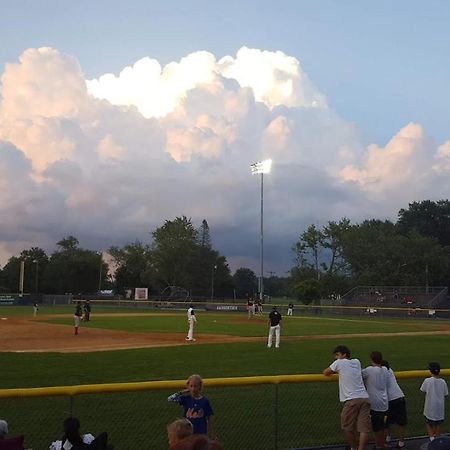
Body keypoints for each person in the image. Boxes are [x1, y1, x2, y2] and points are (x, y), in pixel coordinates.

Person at [323, 345, 371, 450]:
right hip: (364, 397)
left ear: (344, 354)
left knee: (347, 427)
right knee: (364, 429)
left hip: (352, 399)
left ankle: (353, 448)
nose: (336, 357)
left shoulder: (339, 362)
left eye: (337, 355)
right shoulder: (357, 362)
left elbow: (326, 372)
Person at [362, 351, 389, 450]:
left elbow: (360, 374)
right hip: (384, 402)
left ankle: (379, 446)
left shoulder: (369, 370)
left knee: (378, 428)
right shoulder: (385, 369)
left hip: (375, 404)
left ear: (371, 359)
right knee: (383, 426)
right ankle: (383, 443)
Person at [420, 362, 449, 447]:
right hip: (439, 407)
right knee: (438, 424)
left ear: (430, 371)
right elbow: (445, 393)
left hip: (430, 407)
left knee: (429, 423)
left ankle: (432, 440)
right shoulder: (443, 382)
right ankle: (437, 440)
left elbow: (423, 390)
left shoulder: (427, 381)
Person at [381, 360, 407, 449]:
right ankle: (401, 443)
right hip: (400, 397)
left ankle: (387, 440)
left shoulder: (382, 374)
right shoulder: (390, 371)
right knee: (400, 423)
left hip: (390, 400)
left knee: (385, 421)